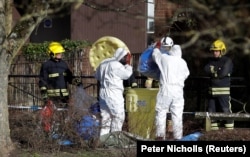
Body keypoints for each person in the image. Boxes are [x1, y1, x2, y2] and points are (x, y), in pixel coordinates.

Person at [39, 41, 81, 133]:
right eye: (58, 53)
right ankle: (49, 133)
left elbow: (69, 77)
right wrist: (44, 95)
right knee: (50, 116)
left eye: (61, 53)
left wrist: (76, 82)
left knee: (66, 114)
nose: (60, 54)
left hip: (64, 96)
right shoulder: (46, 65)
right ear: (52, 53)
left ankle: (65, 131)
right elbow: (42, 81)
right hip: (52, 96)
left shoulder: (64, 64)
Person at [152, 41, 190, 140]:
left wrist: (156, 47)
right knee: (177, 115)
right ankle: (178, 138)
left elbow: (155, 56)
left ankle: (160, 137)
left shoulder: (165, 59)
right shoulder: (183, 62)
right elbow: (186, 74)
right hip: (178, 90)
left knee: (161, 112)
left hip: (166, 88)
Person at [94, 47, 133, 136]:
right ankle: (114, 139)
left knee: (106, 119)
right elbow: (126, 75)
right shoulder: (116, 65)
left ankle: (102, 140)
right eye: (125, 58)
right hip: (114, 93)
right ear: (121, 56)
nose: (125, 60)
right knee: (118, 116)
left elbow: (96, 76)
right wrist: (128, 66)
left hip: (103, 92)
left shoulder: (104, 63)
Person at [204, 39, 234, 130]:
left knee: (225, 110)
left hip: (223, 92)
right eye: (213, 51)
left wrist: (213, 71)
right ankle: (213, 133)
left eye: (217, 51)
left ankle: (230, 133)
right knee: (211, 111)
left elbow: (222, 73)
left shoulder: (227, 61)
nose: (215, 53)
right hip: (212, 92)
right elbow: (206, 69)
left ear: (222, 51)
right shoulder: (210, 60)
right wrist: (217, 70)